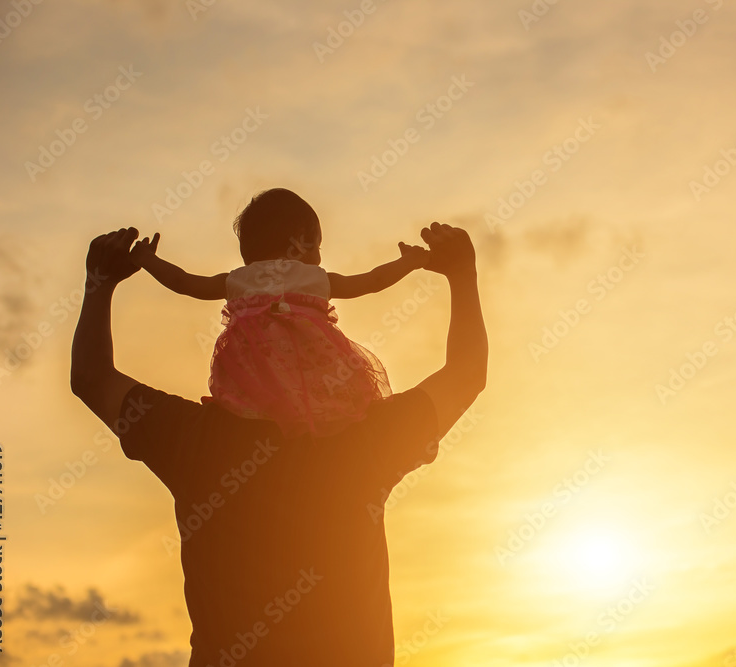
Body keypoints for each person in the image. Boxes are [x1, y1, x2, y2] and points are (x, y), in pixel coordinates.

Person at [70, 221, 487, 666]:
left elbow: (92, 378)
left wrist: (101, 281)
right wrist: (461, 274)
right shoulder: (366, 441)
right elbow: (466, 374)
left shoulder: (193, 439)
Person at [129, 188, 431, 437]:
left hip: (254, 381)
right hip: (312, 374)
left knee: (253, 415)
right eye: (317, 246)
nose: (319, 256)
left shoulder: (238, 279)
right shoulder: (312, 277)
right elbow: (371, 282)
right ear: (298, 243)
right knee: (334, 406)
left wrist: (147, 260)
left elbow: (185, 283)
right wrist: (408, 262)